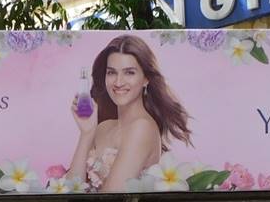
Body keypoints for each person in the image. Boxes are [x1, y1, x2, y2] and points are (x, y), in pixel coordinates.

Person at [68, 34, 194, 193]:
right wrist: (86, 134)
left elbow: (111, 200)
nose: (118, 82)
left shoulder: (142, 128)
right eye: (111, 72)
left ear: (146, 79)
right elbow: (70, 190)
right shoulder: (103, 127)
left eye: (129, 72)